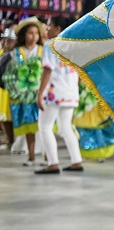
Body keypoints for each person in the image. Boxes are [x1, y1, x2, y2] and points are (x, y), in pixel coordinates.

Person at [34, 16, 83, 174]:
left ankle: (53, 163)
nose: (46, 29)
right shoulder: (74, 46)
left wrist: (40, 94)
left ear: (58, 29)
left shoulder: (51, 45)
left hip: (54, 93)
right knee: (66, 127)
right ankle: (76, 161)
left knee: (45, 126)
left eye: (49, 26)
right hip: (70, 93)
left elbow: (47, 70)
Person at [5, 18, 45, 165]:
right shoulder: (16, 53)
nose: (34, 36)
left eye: (36, 33)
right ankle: (31, 156)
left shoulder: (43, 50)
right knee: (29, 126)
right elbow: (10, 73)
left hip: (41, 94)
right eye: (30, 33)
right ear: (24, 35)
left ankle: (47, 156)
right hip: (24, 95)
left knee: (44, 127)